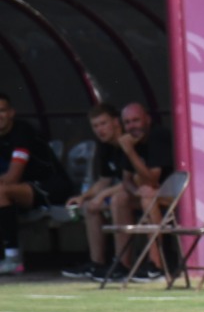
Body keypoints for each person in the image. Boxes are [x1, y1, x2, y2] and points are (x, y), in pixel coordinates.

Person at [0, 93, 75, 274]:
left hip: (52, 187)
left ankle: (13, 260)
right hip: (23, 190)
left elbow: (12, 177)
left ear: (11, 113)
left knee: (1, 192)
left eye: (2, 110)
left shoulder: (22, 131)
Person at [104, 102, 176, 282]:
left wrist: (129, 151)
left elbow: (152, 179)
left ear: (148, 120)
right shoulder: (130, 140)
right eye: (127, 122)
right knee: (119, 198)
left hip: (175, 196)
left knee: (148, 196)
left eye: (136, 120)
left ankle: (156, 266)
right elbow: (126, 180)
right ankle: (123, 264)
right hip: (151, 195)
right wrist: (136, 191)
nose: (132, 126)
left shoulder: (157, 136)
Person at [59, 104, 130, 282]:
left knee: (116, 200)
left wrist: (103, 195)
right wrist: (84, 197)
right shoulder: (106, 146)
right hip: (123, 192)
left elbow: (131, 182)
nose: (99, 130)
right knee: (91, 206)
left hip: (138, 193)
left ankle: (123, 265)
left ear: (116, 122)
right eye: (95, 126)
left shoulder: (128, 143)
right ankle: (96, 262)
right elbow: (104, 181)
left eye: (103, 123)